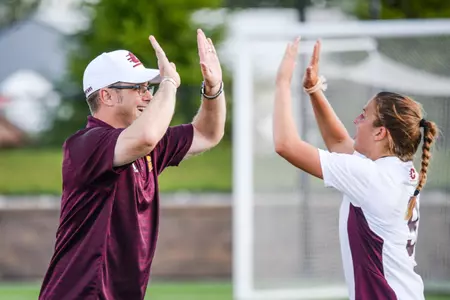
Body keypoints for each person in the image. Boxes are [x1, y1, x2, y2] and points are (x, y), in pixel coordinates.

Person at [39, 29, 226, 300]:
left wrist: (213, 88)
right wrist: (169, 84)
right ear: (107, 97)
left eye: (149, 88)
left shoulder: (144, 144)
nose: (148, 96)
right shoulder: (85, 144)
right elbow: (146, 137)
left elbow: (207, 134)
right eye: (138, 88)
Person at [272, 37, 438, 300]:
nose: (356, 120)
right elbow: (339, 142)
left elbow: (285, 144)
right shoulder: (393, 171)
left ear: (380, 133)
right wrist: (314, 90)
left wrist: (282, 82)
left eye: (364, 115)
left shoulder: (372, 178)